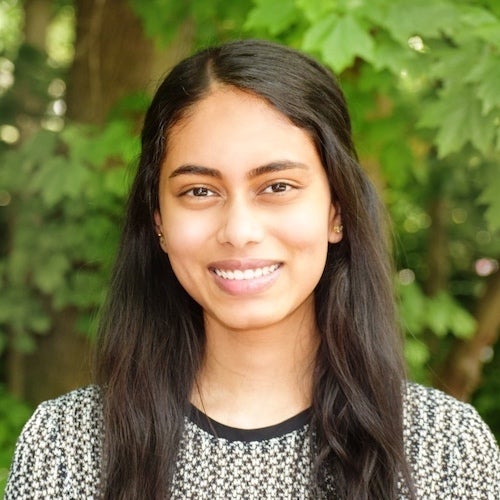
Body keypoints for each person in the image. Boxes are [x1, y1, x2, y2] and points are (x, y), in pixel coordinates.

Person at [5, 39, 499, 500]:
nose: (239, 231)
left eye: (277, 186)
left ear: (337, 211)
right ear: (158, 220)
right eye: (199, 191)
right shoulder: (66, 449)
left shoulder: (445, 451)